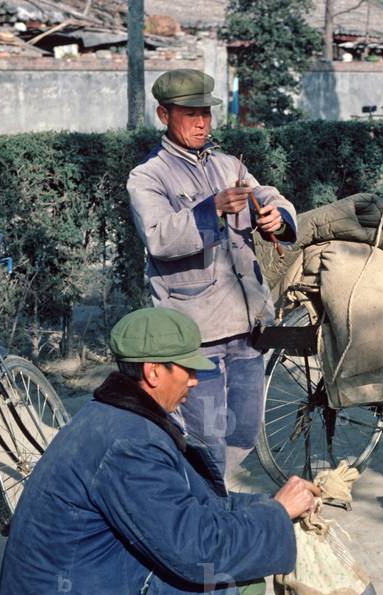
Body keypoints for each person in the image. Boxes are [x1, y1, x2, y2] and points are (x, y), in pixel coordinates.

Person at [0, 307, 319, 595]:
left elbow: (183, 503)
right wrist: (275, 516)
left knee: (240, 561)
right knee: (227, 582)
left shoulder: (110, 415)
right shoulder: (128, 444)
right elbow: (197, 548)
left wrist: (266, 505)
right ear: (153, 372)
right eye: (185, 369)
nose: (193, 380)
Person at [127, 68, 298, 475]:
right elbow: (159, 238)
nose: (202, 122)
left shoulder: (226, 165)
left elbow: (269, 196)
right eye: (190, 114)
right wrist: (211, 209)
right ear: (163, 115)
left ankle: (214, 495)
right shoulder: (147, 177)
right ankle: (204, 514)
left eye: (206, 112)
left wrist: (277, 217)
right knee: (205, 436)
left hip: (247, 321)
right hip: (194, 331)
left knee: (245, 427)